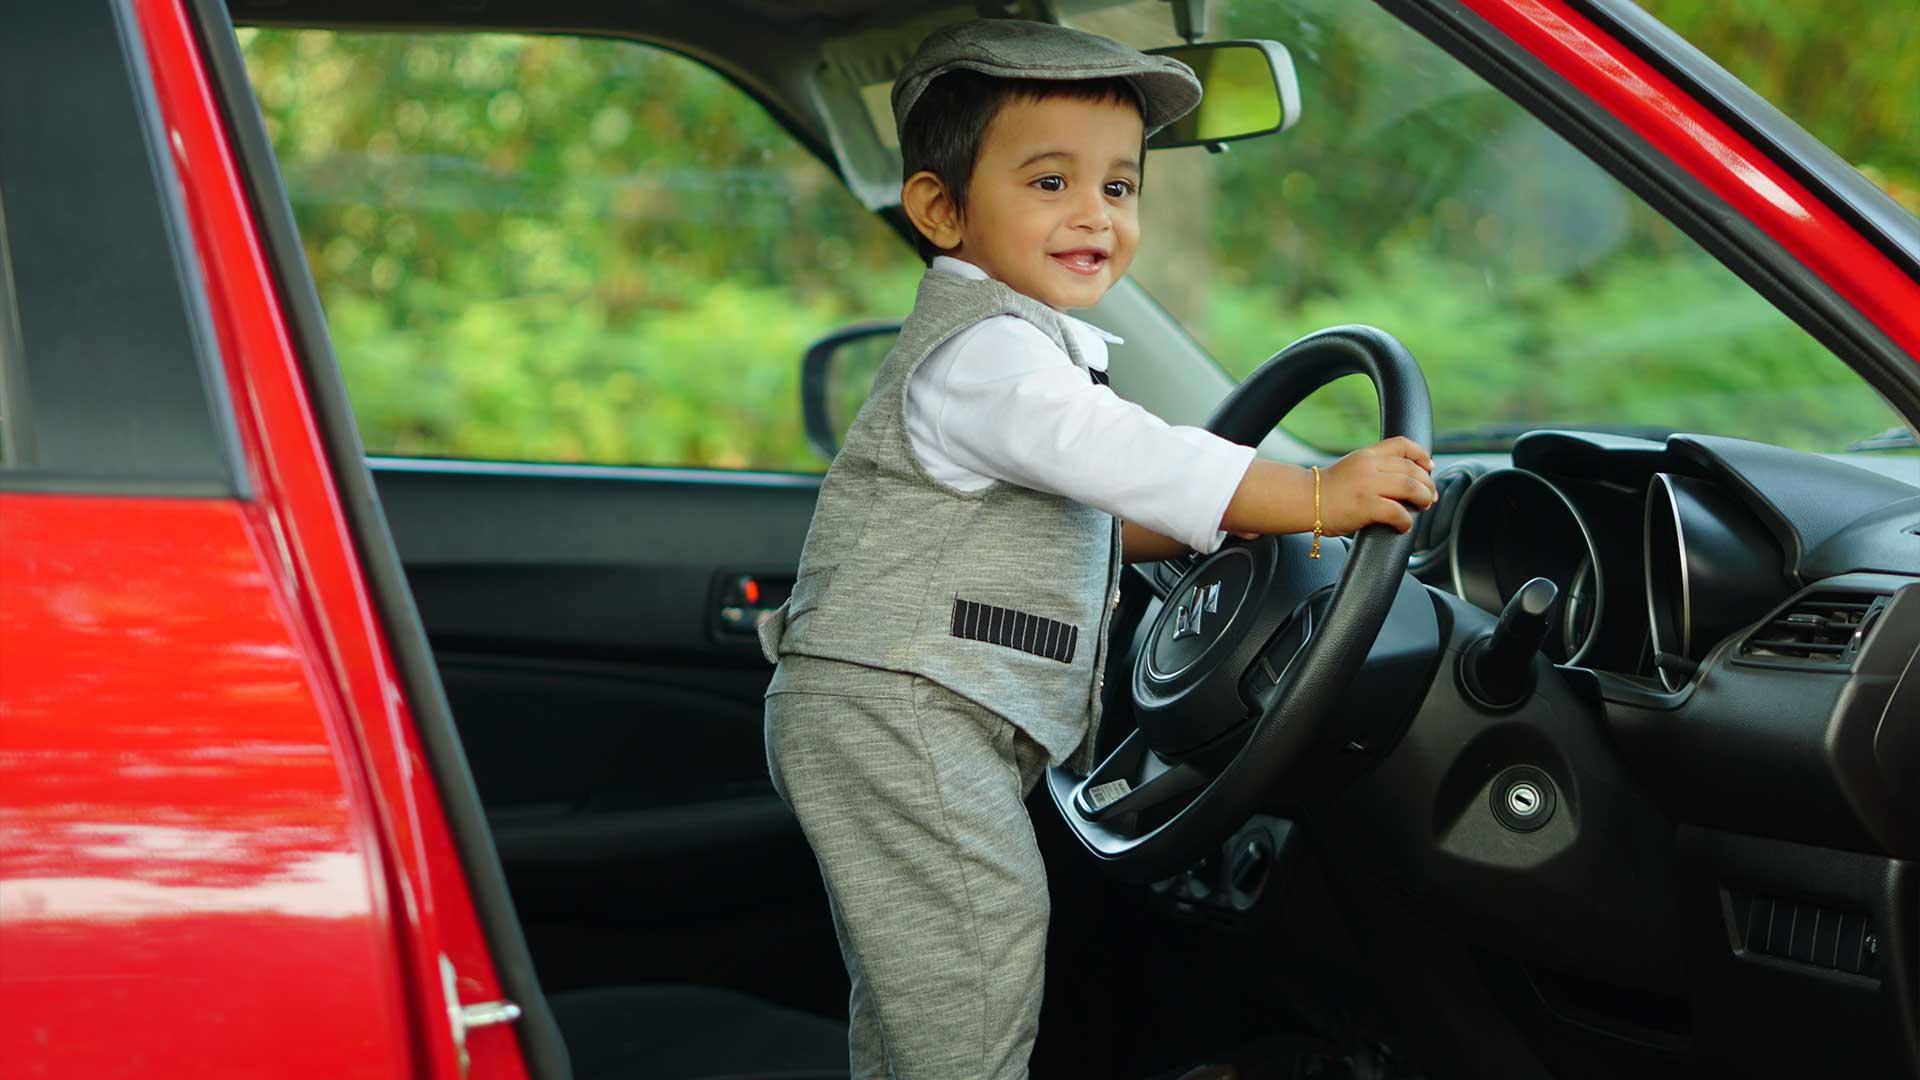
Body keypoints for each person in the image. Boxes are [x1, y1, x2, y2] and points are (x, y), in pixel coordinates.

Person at [758, 19, 1437, 1079]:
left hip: (908, 706)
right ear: (941, 210)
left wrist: (1235, 516)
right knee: (974, 965)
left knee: (923, 986)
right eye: (1049, 183)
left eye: (1119, 186)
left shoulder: (1025, 350)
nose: (1095, 213)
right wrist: (1314, 494)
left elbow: (1097, 515)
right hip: (903, 708)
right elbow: (1126, 455)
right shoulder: (990, 354)